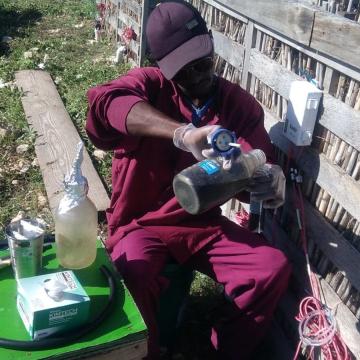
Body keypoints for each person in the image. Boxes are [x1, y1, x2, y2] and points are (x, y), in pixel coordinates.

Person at [86, 1, 291, 359]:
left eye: (204, 62)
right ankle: (150, 351)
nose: (198, 76)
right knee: (133, 272)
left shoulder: (238, 106)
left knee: (269, 268)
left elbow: (255, 166)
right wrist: (182, 134)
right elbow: (104, 105)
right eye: (184, 70)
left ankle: (221, 350)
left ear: (211, 43)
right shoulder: (148, 88)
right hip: (140, 224)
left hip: (203, 226)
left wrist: (269, 179)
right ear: (161, 67)